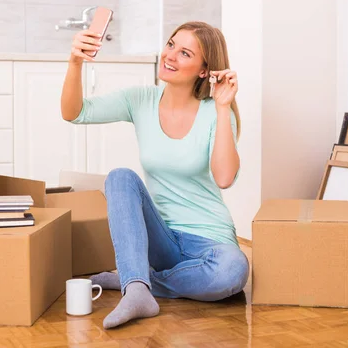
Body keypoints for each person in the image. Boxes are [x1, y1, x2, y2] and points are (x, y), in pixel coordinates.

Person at [61, 21, 249, 329]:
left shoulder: (216, 112)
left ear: (204, 69)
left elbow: (224, 178)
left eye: (185, 53)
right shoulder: (141, 100)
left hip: (209, 242)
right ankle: (138, 288)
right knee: (120, 176)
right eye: (171, 44)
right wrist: (75, 62)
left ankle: (137, 282)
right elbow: (75, 113)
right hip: (160, 239)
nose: (170, 55)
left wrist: (223, 106)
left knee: (232, 272)